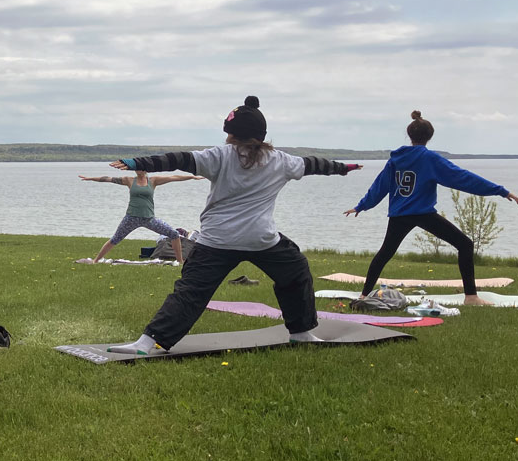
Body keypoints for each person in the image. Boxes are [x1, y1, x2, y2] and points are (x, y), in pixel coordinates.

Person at [106, 96, 362, 355]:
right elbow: (315, 165)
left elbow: (177, 159)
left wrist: (138, 163)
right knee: (296, 273)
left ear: (231, 135)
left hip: (217, 241)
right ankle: (301, 332)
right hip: (261, 240)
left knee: (191, 292)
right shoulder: (281, 161)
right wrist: (343, 168)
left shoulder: (218, 156)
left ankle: (146, 343)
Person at [344, 110, 518, 305]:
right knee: (465, 245)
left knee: (385, 253)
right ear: (430, 137)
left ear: (410, 135)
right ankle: (471, 297)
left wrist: (361, 206)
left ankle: (363, 295)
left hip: (400, 215)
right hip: (423, 213)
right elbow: (462, 177)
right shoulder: (430, 159)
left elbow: (380, 186)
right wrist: (500, 191)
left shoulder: (395, 159)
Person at [78, 170, 202, 263]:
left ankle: (180, 262)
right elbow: (108, 179)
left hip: (149, 219)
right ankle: (95, 261)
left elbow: (173, 177)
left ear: (146, 169)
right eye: (137, 168)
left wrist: (192, 176)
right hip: (131, 218)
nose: (139, 170)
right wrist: (90, 178)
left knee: (174, 234)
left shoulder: (153, 181)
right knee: (115, 239)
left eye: (141, 168)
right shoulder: (129, 180)